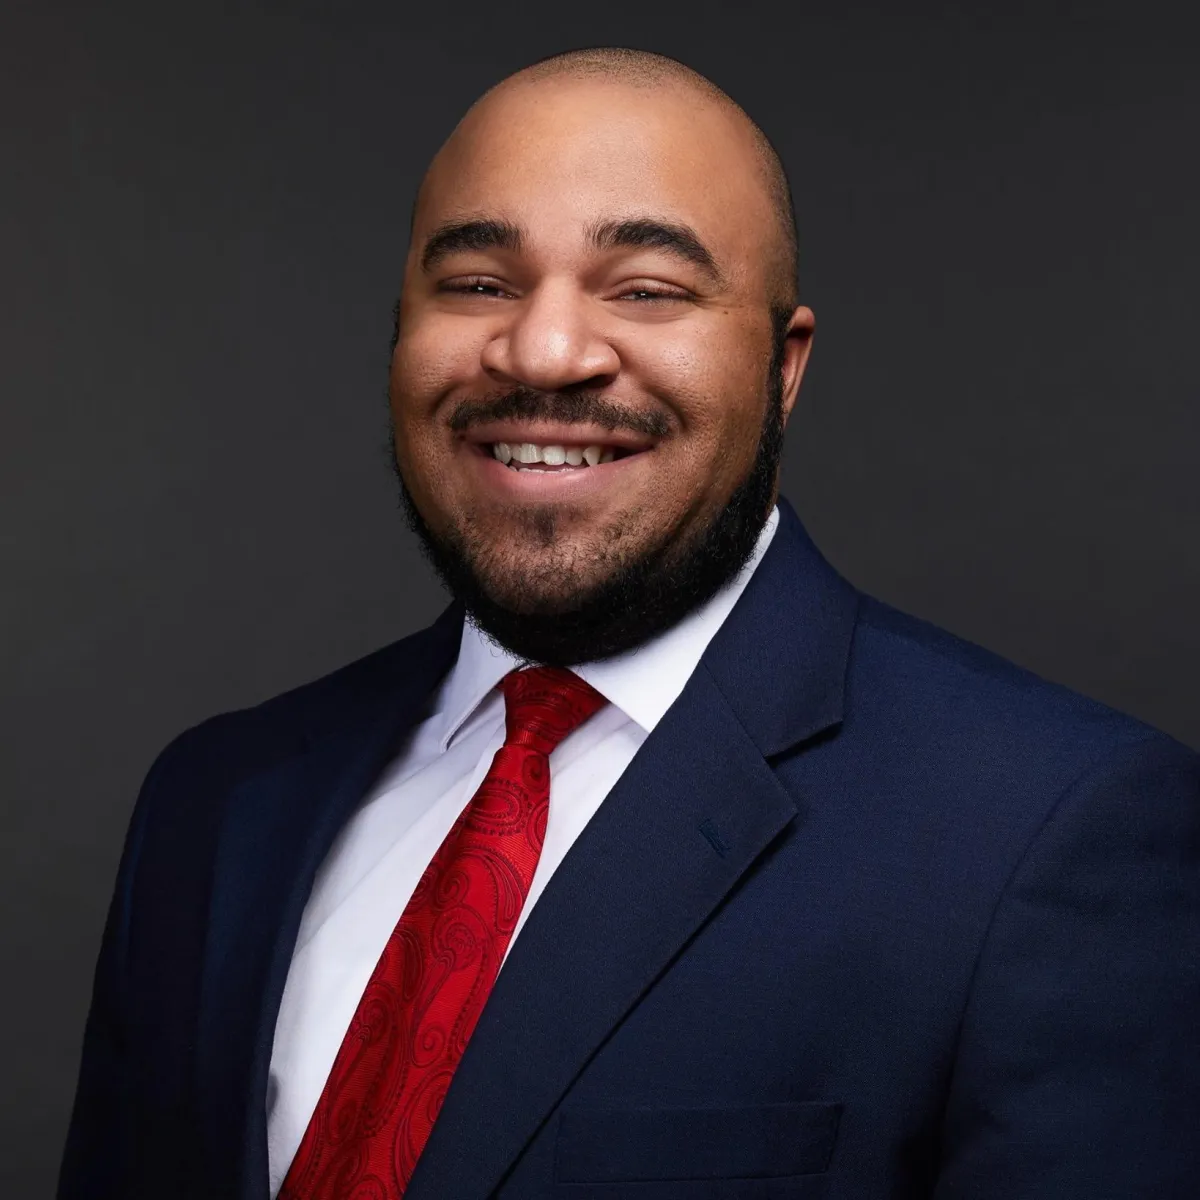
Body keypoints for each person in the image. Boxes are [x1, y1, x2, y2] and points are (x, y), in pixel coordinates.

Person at [59, 46, 1200, 1200]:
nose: (544, 352)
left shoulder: (1048, 834)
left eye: (647, 289)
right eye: (479, 283)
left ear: (783, 366)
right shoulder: (217, 804)